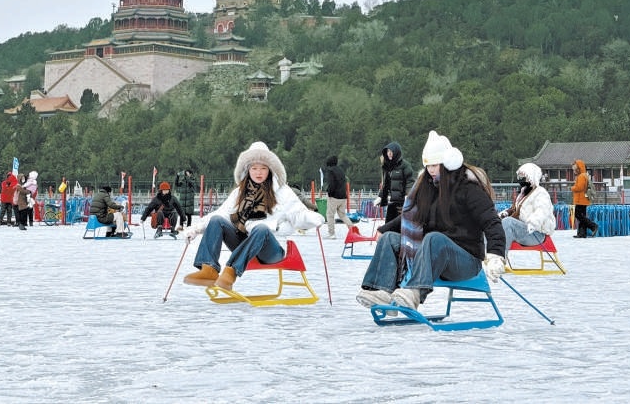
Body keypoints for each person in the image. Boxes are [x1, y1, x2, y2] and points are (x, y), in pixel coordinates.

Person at [356, 130, 506, 310]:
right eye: (427, 165)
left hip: (465, 259)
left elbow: (491, 221)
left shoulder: (468, 187)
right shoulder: (428, 186)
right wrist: (385, 228)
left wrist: (496, 254)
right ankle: (381, 291)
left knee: (434, 238)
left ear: (448, 163)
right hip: (433, 254)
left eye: (435, 165)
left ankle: (414, 292)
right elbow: (412, 215)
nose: (431, 170)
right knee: (390, 239)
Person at [182, 141, 325, 290]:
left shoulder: (283, 192)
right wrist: (196, 229)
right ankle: (209, 270)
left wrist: (312, 217)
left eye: (263, 168)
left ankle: (230, 273)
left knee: (261, 228)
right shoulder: (239, 192)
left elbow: (298, 213)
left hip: (270, 249)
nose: (259, 172)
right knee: (217, 220)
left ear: (270, 170)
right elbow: (222, 213)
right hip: (245, 245)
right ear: (247, 169)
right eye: (254, 168)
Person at [498, 163, 556, 254]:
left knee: (508, 222)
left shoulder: (540, 193)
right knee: (494, 223)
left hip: (535, 232)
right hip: (522, 229)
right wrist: (503, 214)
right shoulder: (523, 193)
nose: (522, 180)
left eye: (524, 177)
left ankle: (499, 257)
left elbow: (542, 210)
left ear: (531, 177)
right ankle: (485, 253)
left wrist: (533, 223)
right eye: (520, 177)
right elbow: (515, 209)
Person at [375, 141, 415, 223]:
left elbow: (410, 182)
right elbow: (385, 185)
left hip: (403, 203)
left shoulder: (405, 165)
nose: (389, 153)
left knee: (400, 226)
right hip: (392, 202)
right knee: (388, 225)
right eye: (388, 151)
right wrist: (380, 197)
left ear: (396, 152)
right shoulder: (387, 167)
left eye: (391, 151)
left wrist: (408, 195)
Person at [322, 155, 351, 239]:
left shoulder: (330, 171)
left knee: (330, 215)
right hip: (343, 196)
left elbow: (332, 184)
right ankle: (353, 229)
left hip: (334, 197)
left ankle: (332, 234)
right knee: (343, 215)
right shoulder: (341, 170)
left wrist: (329, 193)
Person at [570, 159, 598, 238]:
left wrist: (572, 188)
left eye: (575, 169)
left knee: (578, 215)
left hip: (580, 200)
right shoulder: (584, 175)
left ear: (578, 168)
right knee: (582, 217)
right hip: (583, 199)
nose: (574, 171)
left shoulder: (581, 176)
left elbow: (579, 187)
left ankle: (593, 226)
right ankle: (582, 233)